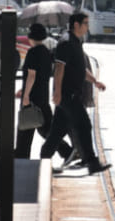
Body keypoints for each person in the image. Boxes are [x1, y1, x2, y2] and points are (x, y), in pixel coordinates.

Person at [41, 11, 110, 175]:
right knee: (84, 125)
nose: (87, 26)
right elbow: (59, 68)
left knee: (57, 132)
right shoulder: (66, 42)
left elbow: (80, 68)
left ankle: (43, 160)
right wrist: (57, 92)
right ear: (76, 25)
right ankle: (92, 162)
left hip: (72, 94)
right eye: (85, 23)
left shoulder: (76, 42)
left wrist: (95, 81)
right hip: (67, 95)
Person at [16, 23, 67, 160]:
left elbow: (32, 75)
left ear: (31, 37)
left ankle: (21, 157)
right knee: (47, 129)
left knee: (25, 130)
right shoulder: (46, 52)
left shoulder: (32, 53)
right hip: (43, 97)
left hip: (32, 98)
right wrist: (23, 89)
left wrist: (26, 95)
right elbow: (40, 76)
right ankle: (67, 151)